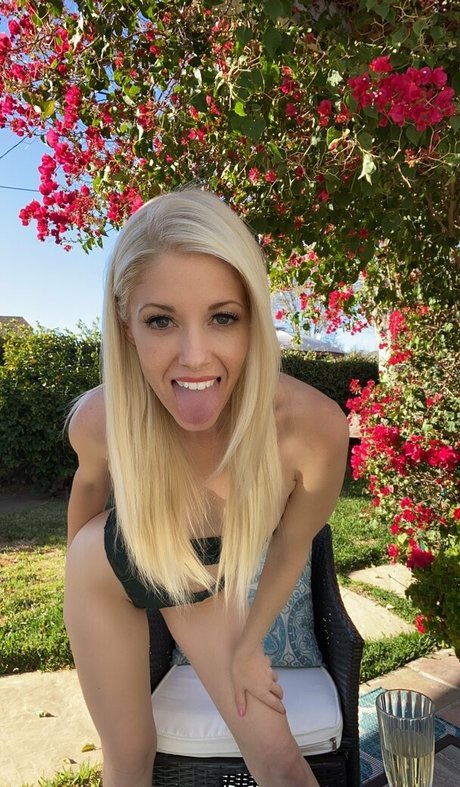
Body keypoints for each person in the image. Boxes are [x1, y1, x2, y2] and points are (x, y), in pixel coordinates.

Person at [64, 186, 349, 787]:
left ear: (253, 318)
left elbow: (292, 546)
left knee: (280, 763)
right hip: (110, 567)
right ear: (127, 325)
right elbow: (87, 496)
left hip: (197, 584)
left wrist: (247, 646)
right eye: (161, 320)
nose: (195, 357)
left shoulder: (312, 431)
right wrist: (76, 592)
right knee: (128, 758)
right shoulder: (101, 419)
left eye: (223, 317)